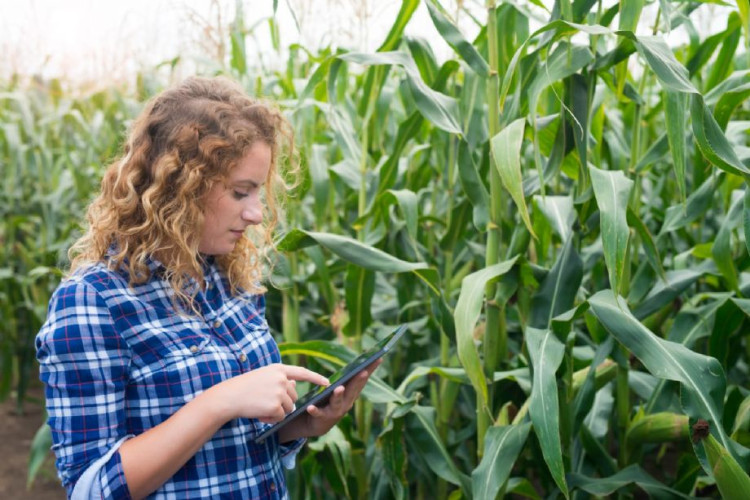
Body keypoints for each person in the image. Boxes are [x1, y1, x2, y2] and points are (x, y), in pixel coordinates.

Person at [35, 76, 380, 500]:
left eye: (259, 192)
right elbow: (89, 489)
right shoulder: (94, 301)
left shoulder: (230, 279)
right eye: (240, 192)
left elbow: (236, 445)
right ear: (180, 187)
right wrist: (219, 402)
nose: (256, 214)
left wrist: (300, 428)